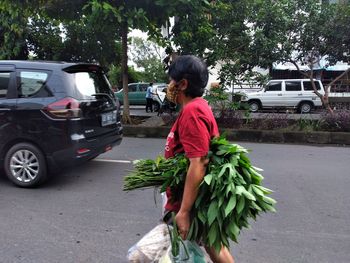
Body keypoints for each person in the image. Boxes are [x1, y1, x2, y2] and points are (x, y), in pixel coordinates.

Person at [163, 55, 235, 263]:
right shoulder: (195, 107)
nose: (169, 86)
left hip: (189, 201)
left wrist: (184, 211)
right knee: (213, 245)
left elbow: (199, 161)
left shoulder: (193, 111)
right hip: (189, 196)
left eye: (172, 80)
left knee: (211, 246)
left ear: (183, 84)